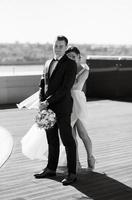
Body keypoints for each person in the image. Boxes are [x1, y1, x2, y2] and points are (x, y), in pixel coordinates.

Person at [34, 35, 77, 186]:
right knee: (51, 140)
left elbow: (65, 88)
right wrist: (41, 101)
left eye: (61, 46)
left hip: (62, 108)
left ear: (66, 47)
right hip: (47, 108)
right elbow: (42, 85)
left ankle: (72, 173)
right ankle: (51, 168)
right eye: (56, 45)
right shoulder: (47, 63)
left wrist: (47, 101)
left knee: (67, 140)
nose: (58, 48)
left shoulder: (70, 64)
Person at [59, 46, 95, 171]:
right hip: (66, 103)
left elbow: (75, 85)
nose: (71, 59)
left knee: (82, 133)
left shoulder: (85, 70)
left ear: (79, 58)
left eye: (74, 57)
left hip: (77, 102)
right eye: (68, 57)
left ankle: (90, 157)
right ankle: (76, 163)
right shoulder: (64, 69)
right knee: (71, 137)